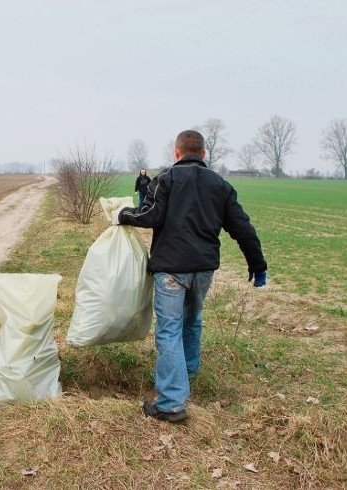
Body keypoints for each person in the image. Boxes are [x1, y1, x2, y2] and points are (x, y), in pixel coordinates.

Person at [112, 130, 267, 423]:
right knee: (192, 320)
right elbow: (242, 228)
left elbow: (150, 216)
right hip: (204, 270)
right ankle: (187, 372)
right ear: (204, 154)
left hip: (172, 270)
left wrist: (123, 215)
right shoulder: (220, 185)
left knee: (169, 330)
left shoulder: (167, 180)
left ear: (177, 152)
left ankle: (171, 402)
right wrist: (257, 265)